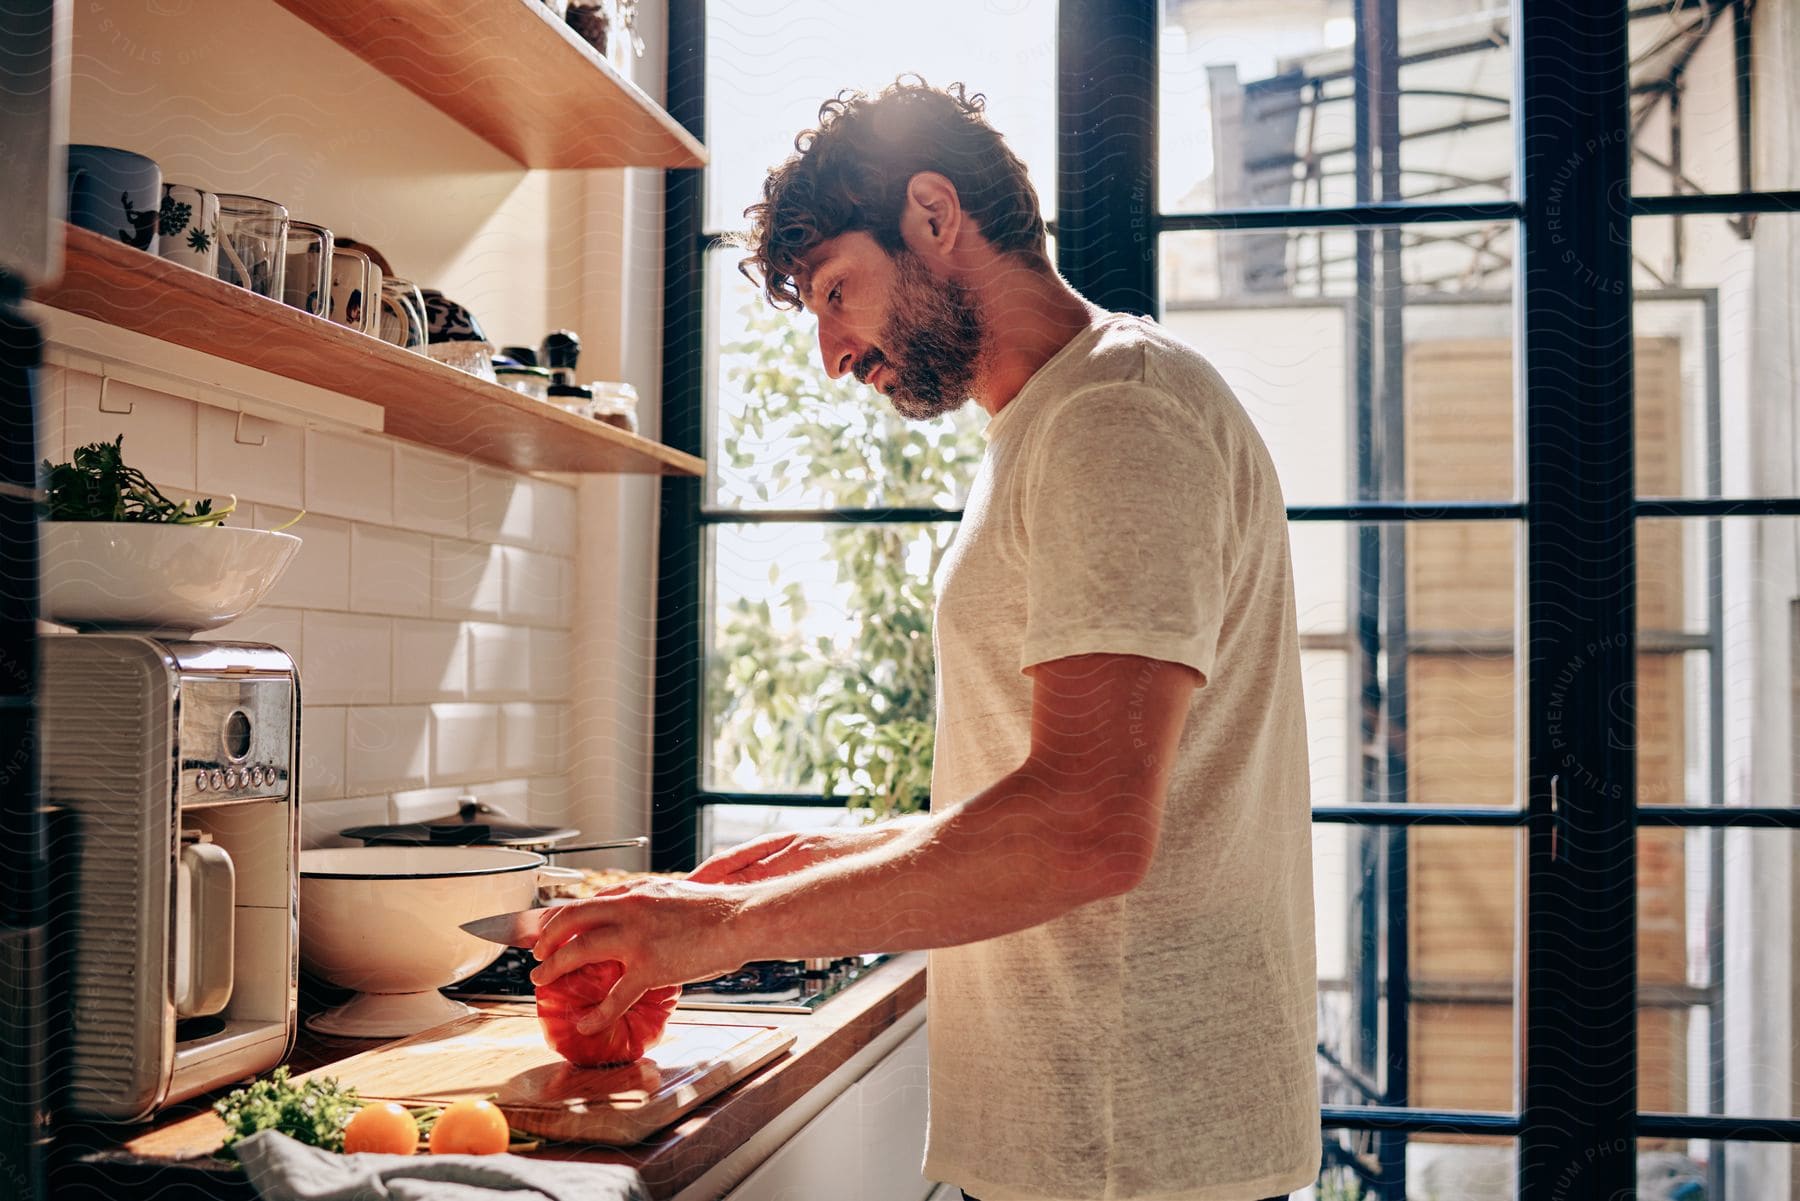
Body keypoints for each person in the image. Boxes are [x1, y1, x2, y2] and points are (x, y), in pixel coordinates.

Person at [529, 78, 1319, 1201]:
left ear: (936, 214)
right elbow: (1048, 788)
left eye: (837, 291)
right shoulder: (1056, 420)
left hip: (1130, 1154)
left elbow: (1089, 829)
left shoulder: (1117, 417)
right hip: (1095, 1145)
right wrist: (832, 856)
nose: (831, 354)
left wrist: (727, 928)